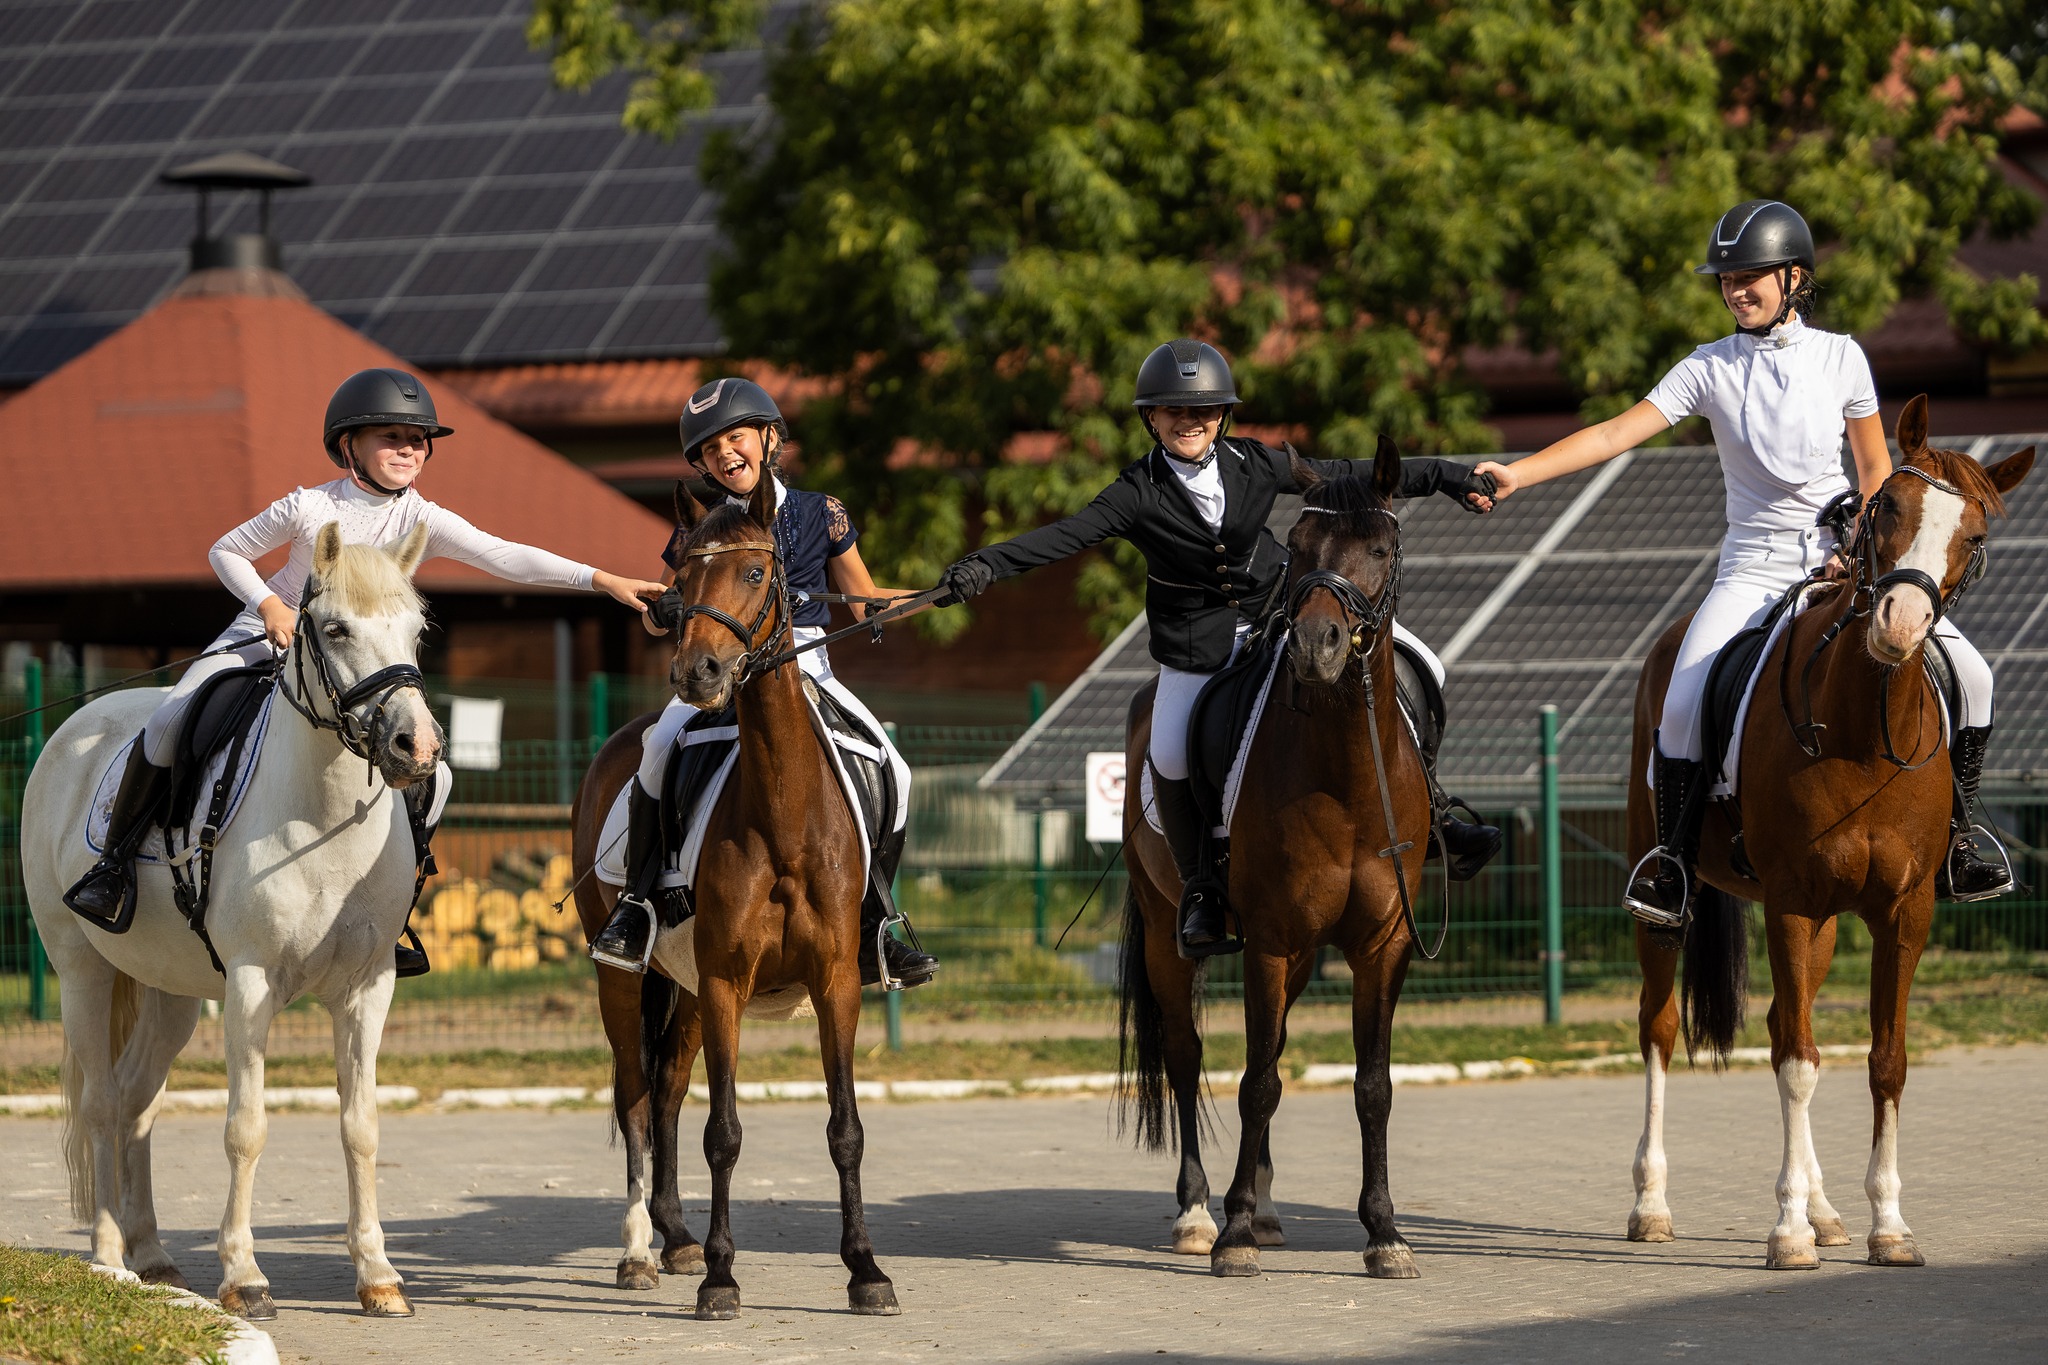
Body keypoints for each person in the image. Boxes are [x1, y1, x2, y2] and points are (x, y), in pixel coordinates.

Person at [1473, 200, 2006, 928]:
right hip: (1751, 571)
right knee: (1683, 704)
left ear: (1795, 277)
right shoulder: (1709, 368)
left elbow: (1877, 473)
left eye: (1751, 276)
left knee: (1974, 676)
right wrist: (1517, 474)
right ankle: (1671, 867)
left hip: (1843, 566)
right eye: (1726, 279)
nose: (1735, 289)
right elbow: (1613, 433)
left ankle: (1962, 841)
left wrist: (1864, 560)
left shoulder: (1842, 356)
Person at [62, 368, 667, 975]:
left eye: (418, 438)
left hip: (355, 666)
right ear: (349, 444)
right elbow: (227, 550)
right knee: (169, 720)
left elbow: (506, 556)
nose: (408, 448)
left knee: (440, 778)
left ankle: (394, 908)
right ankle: (114, 867)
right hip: (265, 636)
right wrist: (272, 606)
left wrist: (602, 579)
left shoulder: (421, 520)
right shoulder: (309, 506)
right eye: (391, 436)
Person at [934, 341, 1503, 958]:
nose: (1190, 421)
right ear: (1150, 418)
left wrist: (1448, 477)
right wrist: (983, 566)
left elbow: (1345, 472)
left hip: (1282, 615)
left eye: (1204, 411)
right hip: (1198, 647)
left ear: (1222, 417)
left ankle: (1439, 815)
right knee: (1171, 752)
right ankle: (1202, 886)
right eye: (1174, 411)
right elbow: (1065, 535)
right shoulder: (1135, 491)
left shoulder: (1253, 463)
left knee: (1420, 662)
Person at [586, 378, 940, 988]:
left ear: (769, 438)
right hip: (725, 668)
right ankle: (638, 906)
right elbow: (661, 608)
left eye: (735, 437)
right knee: (655, 747)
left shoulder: (818, 512)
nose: (724, 453)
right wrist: (662, 610)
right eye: (710, 449)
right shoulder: (702, 528)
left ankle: (875, 921)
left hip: (807, 663)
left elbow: (863, 601)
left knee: (895, 768)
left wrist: (939, 593)